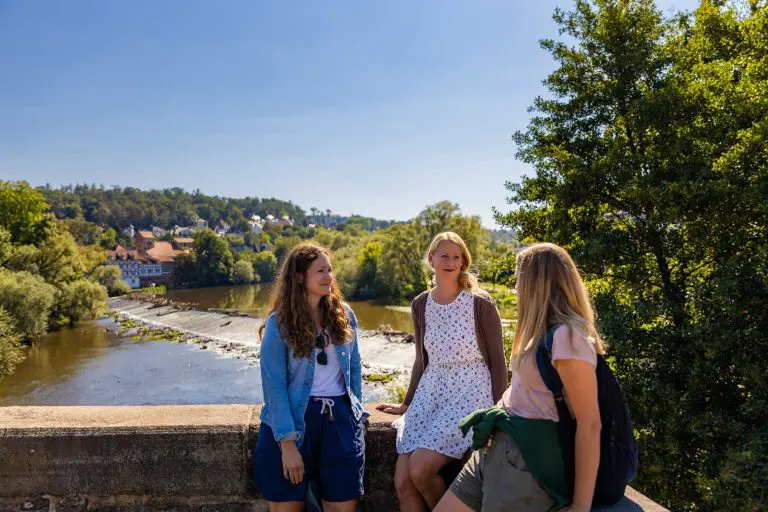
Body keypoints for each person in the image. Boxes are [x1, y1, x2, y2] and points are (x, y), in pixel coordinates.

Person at [435, 242, 605, 512]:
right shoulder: (538, 331)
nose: (516, 285)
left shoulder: (567, 337)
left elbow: (590, 423)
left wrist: (581, 505)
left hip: (524, 459)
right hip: (497, 446)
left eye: (519, 278)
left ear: (536, 282)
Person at [377, 231, 506, 511]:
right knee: (403, 481)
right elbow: (421, 360)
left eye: (456, 257)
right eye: (444, 255)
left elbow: (498, 361)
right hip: (431, 392)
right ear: (431, 259)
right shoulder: (421, 303)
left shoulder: (480, 303)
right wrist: (406, 403)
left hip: (470, 391)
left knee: (421, 469)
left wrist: (498, 410)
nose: (450, 262)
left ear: (463, 263)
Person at [253, 242, 367, 512]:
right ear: (300, 277)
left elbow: (355, 369)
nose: (329, 276)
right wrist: (288, 445)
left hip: (338, 423)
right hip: (291, 423)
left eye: (330, 270)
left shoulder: (344, 314)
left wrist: (357, 416)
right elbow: (274, 386)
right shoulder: (278, 323)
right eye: (320, 271)